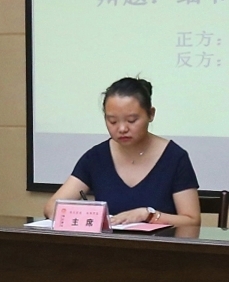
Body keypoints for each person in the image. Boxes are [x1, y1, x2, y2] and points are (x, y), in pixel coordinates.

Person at [45, 77, 202, 226]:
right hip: (108, 244)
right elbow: (52, 208)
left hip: (158, 244)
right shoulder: (96, 157)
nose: (122, 128)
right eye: (112, 121)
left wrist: (148, 215)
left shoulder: (175, 158)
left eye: (132, 120)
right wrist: (88, 216)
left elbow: (192, 220)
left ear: (151, 114)